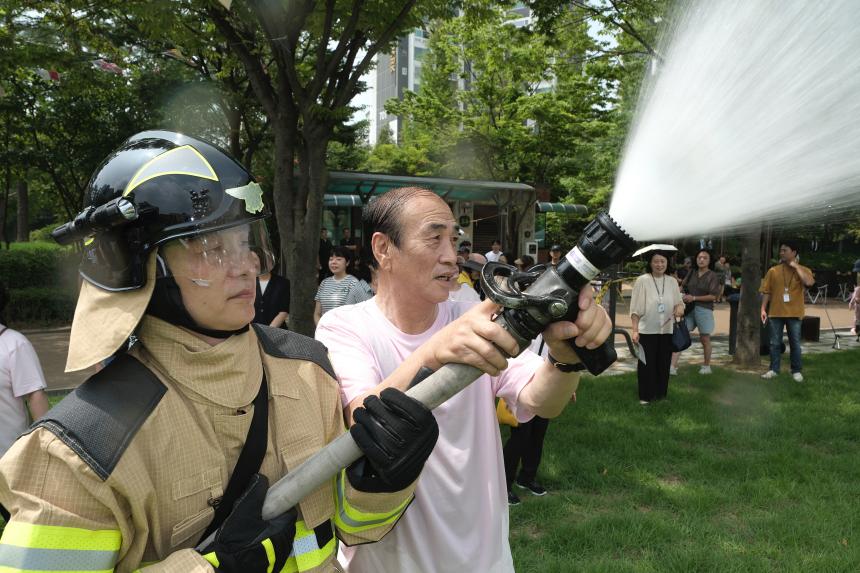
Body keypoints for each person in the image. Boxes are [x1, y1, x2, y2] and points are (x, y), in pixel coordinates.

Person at [0, 131, 438, 572]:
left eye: (247, 243)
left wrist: (384, 480)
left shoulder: (307, 370)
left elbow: (352, 525)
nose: (247, 264)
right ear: (138, 263)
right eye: (211, 247)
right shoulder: (79, 447)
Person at [316, 186, 612, 573]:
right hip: (387, 561)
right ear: (383, 249)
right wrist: (435, 351)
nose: (451, 256)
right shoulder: (344, 326)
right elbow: (362, 418)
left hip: (483, 558)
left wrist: (565, 359)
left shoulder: (469, 311)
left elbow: (541, 400)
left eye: (453, 239)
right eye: (434, 237)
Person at [0, 281, 50, 522]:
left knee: (19, 524)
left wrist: (44, 448)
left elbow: (35, 395)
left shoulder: (14, 344)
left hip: (9, 462)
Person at [630, 248, 685, 403]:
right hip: (647, 329)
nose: (659, 264)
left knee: (663, 363)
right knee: (646, 364)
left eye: (663, 261)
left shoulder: (672, 281)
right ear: (650, 263)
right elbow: (635, 308)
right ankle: (645, 396)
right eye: (656, 261)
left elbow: (679, 303)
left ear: (667, 263)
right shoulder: (643, 280)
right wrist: (635, 330)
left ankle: (661, 395)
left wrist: (680, 308)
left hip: (667, 330)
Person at [760, 241, 815, 381]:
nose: (781, 253)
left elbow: (809, 283)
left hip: (795, 313)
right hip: (775, 313)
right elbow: (766, 291)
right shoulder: (773, 270)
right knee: (774, 343)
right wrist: (763, 308)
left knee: (795, 343)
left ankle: (796, 370)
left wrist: (795, 265)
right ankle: (774, 369)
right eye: (781, 250)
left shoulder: (804, 269)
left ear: (794, 252)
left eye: (785, 250)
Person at [672, 249, 721, 375]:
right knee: (680, 335)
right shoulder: (692, 272)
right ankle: (672, 367)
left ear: (710, 261)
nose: (701, 260)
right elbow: (681, 286)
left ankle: (706, 366)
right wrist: (678, 295)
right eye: (699, 257)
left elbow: (714, 296)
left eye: (705, 258)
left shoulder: (712, 276)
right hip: (688, 309)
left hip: (704, 309)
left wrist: (694, 298)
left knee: (704, 338)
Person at [314, 246, 360, 325]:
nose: (333, 262)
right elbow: (317, 313)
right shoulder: (324, 283)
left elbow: (358, 314)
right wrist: (321, 328)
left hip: (345, 333)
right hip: (324, 333)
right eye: (331, 259)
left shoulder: (353, 283)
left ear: (347, 262)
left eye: (338, 259)